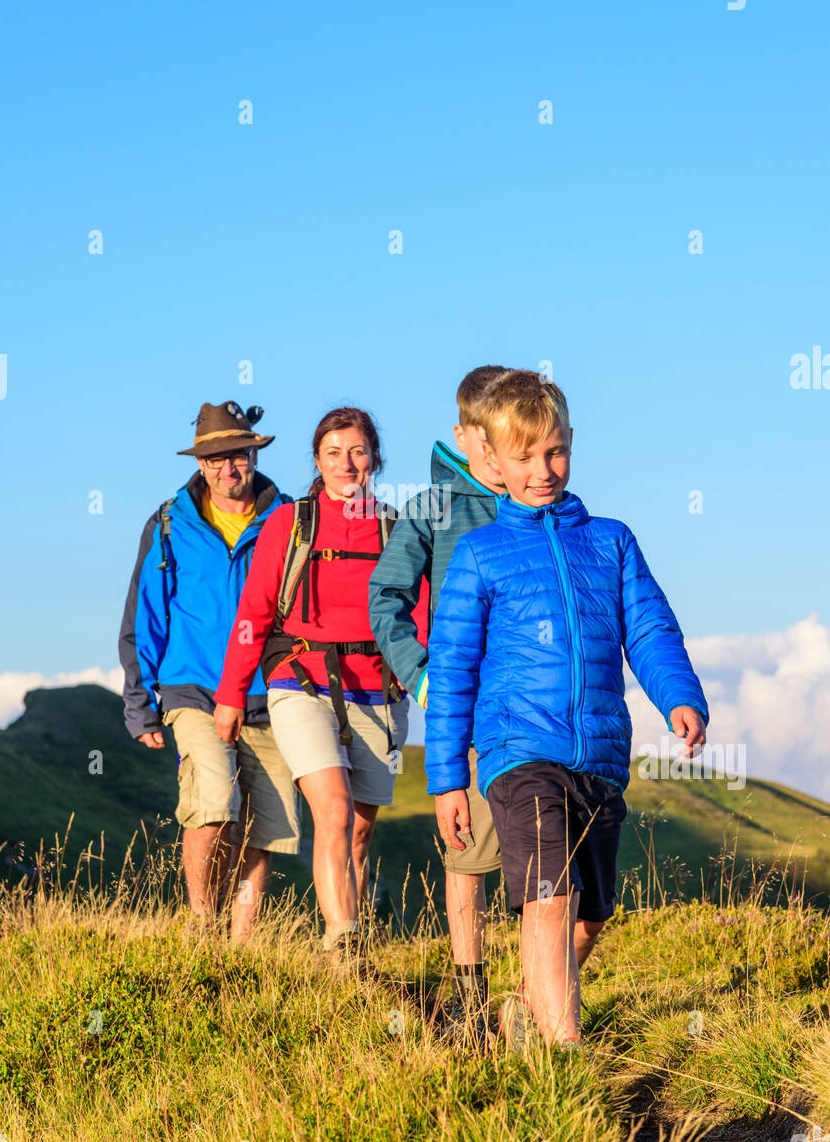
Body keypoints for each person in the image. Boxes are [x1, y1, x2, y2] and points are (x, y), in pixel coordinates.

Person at [424, 369, 708, 1048]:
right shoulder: (479, 554)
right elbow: (454, 668)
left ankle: (524, 1007)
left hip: (599, 755)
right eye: (523, 457)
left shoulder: (609, 540)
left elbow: (647, 628)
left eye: (553, 452)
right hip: (518, 753)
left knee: (590, 916)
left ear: (571, 444)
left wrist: (679, 697)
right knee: (547, 897)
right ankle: (561, 1052)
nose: (542, 469)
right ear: (490, 459)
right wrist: (445, 780)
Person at [213, 406, 421, 965]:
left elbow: (417, 616)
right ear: (317, 460)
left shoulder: (396, 529)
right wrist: (232, 693)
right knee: (330, 811)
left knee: (356, 830)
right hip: (299, 682)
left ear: (374, 457)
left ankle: (347, 937)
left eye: (357, 451)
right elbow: (255, 611)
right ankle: (343, 946)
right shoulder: (290, 522)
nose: (346, 463)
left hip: (378, 691)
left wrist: (429, 685)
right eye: (334, 453)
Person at [119, 400, 301, 943]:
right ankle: (203, 926)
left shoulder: (288, 518)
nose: (228, 468)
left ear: (253, 453)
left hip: (270, 691)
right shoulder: (170, 523)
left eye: (238, 454)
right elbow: (144, 613)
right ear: (200, 464)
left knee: (267, 827)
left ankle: (239, 947)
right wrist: (139, 702)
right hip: (192, 687)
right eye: (216, 458)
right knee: (216, 801)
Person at [368, 365, 511, 1042]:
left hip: (537, 709)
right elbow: (385, 598)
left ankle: (538, 1001)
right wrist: (420, 677)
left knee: (551, 859)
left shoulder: (536, 498)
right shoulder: (431, 506)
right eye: (488, 439)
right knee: (468, 857)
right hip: (466, 705)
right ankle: (467, 997)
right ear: (463, 433)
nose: (499, 453)